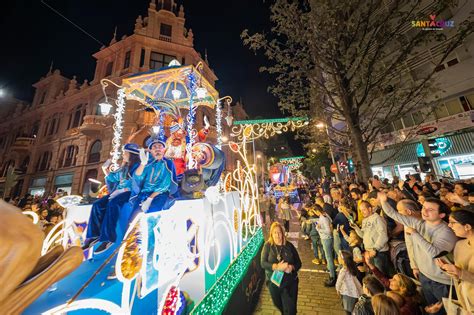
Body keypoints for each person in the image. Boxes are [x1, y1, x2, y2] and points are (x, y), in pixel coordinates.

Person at [379, 192, 457, 315]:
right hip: (425, 275)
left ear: (441, 215)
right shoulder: (420, 223)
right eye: (424, 207)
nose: (424, 211)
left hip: (441, 281)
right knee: (431, 310)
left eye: (430, 209)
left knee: (447, 311)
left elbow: (434, 253)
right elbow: (394, 214)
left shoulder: (446, 232)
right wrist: (384, 201)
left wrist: (415, 234)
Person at [83, 143, 141, 254]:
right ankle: (94, 235)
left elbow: (138, 181)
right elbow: (113, 178)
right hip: (118, 192)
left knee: (113, 204)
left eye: (125, 153)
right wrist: (105, 169)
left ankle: (108, 238)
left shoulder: (137, 167)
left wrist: (123, 190)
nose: (123, 155)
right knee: (97, 204)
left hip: (130, 193)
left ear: (132, 154)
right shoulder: (124, 168)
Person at [436, 209, 474, 313]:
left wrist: (460, 272)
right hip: (465, 299)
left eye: (453, 222)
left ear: (467, 226)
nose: (449, 226)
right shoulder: (459, 245)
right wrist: (447, 268)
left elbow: (461, 273)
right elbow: (459, 276)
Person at [261, 222, 302, 315]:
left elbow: (299, 263)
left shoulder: (289, 246)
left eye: (279, 232)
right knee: (279, 305)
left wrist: (292, 267)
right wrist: (276, 267)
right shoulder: (267, 246)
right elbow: (263, 263)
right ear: (271, 234)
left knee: (290, 310)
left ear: (282, 233)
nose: (277, 235)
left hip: (290, 283)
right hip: (274, 282)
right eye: (275, 232)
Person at [350, 200, 390, 276]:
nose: (362, 212)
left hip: (379, 252)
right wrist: (355, 227)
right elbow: (363, 235)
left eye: (364, 210)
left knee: (381, 277)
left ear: (370, 209)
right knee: (374, 276)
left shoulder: (377, 218)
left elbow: (383, 235)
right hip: (369, 252)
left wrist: (375, 249)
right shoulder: (364, 220)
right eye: (361, 211)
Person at [314, 205, 336, 287]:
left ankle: (332, 276)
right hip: (326, 238)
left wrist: (319, 229)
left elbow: (328, 231)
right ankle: (330, 271)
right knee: (329, 257)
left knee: (329, 258)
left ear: (317, 211)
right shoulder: (325, 215)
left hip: (326, 239)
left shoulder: (323, 218)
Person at [336, 250, 363, 315]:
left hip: (347, 292)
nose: (337, 258)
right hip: (354, 291)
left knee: (347, 309)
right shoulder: (351, 267)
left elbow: (339, 281)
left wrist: (337, 289)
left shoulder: (343, 271)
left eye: (339, 257)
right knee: (352, 307)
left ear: (343, 260)